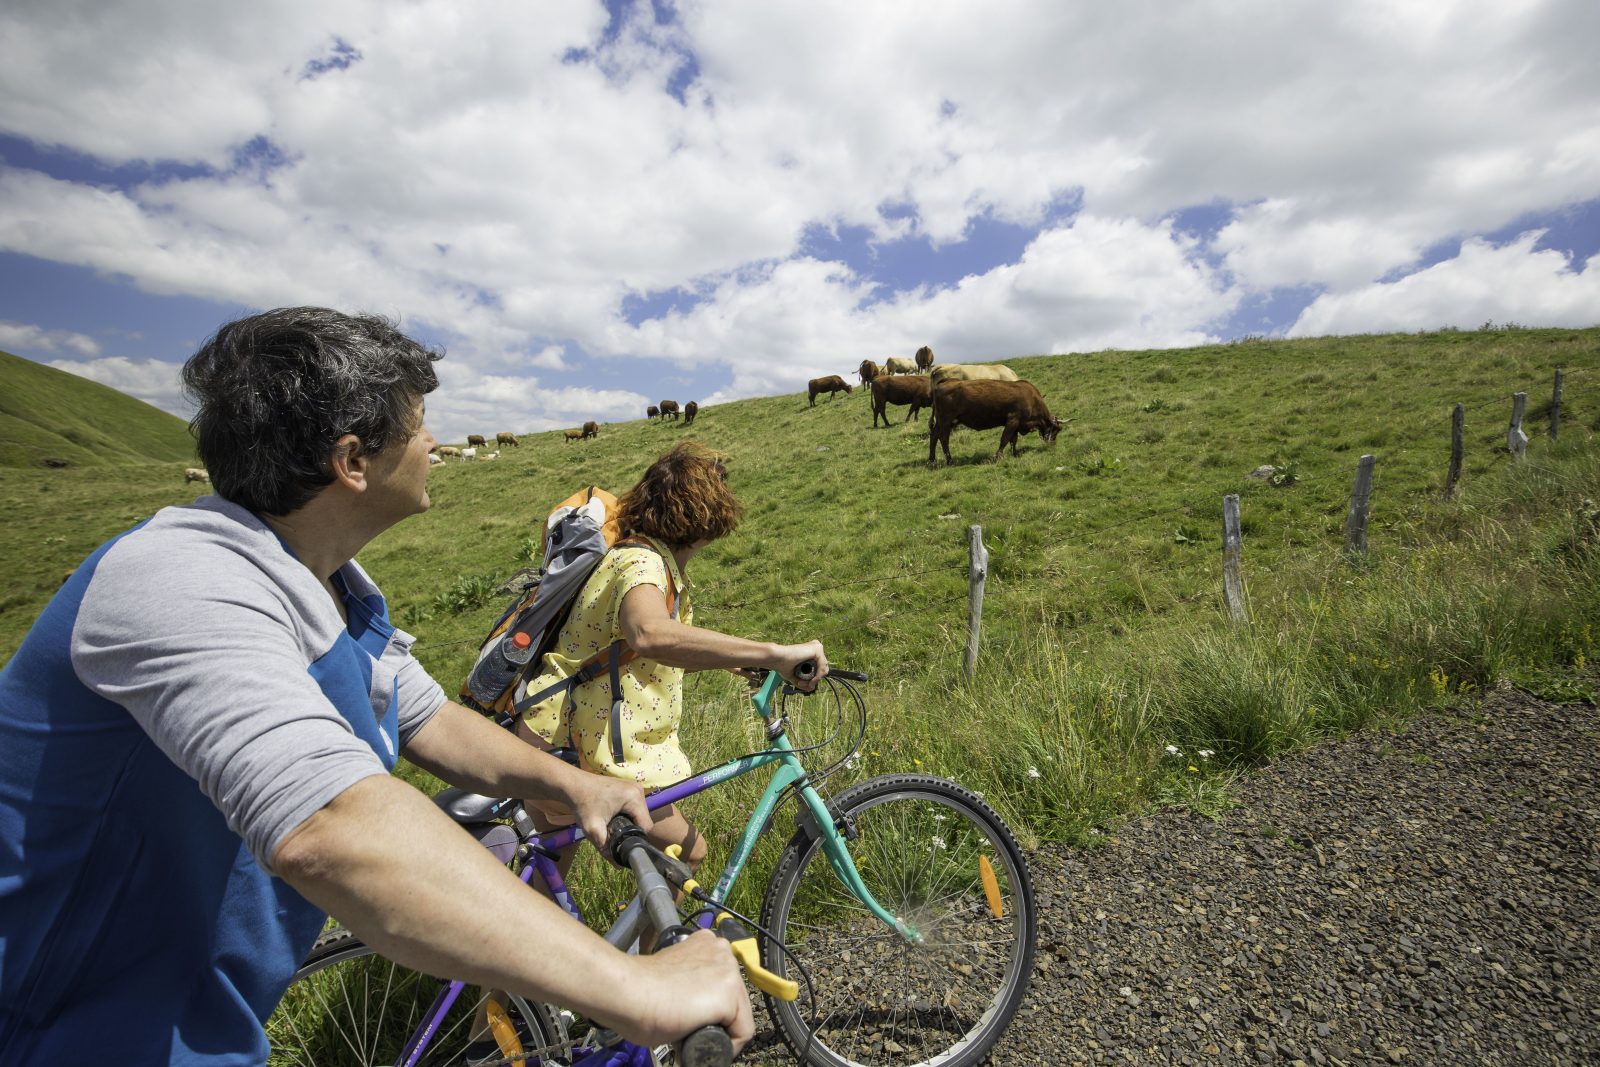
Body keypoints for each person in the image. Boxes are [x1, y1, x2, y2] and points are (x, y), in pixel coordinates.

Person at [0, 308, 752, 1065]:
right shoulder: (180, 580)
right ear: (353, 460)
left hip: (190, 1029)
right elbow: (330, 826)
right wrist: (636, 987)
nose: (432, 443)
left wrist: (574, 785)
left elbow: (430, 721)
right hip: (57, 1032)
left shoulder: (332, 591)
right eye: (419, 424)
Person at [516, 441, 828, 886]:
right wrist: (775, 653)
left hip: (551, 733)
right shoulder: (642, 562)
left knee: (548, 878)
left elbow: (630, 651)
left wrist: (726, 662)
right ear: (705, 514)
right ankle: (658, 958)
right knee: (686, 855)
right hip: (586, 747)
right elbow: (650, 634)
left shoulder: (634, 555)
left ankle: (527, 950)